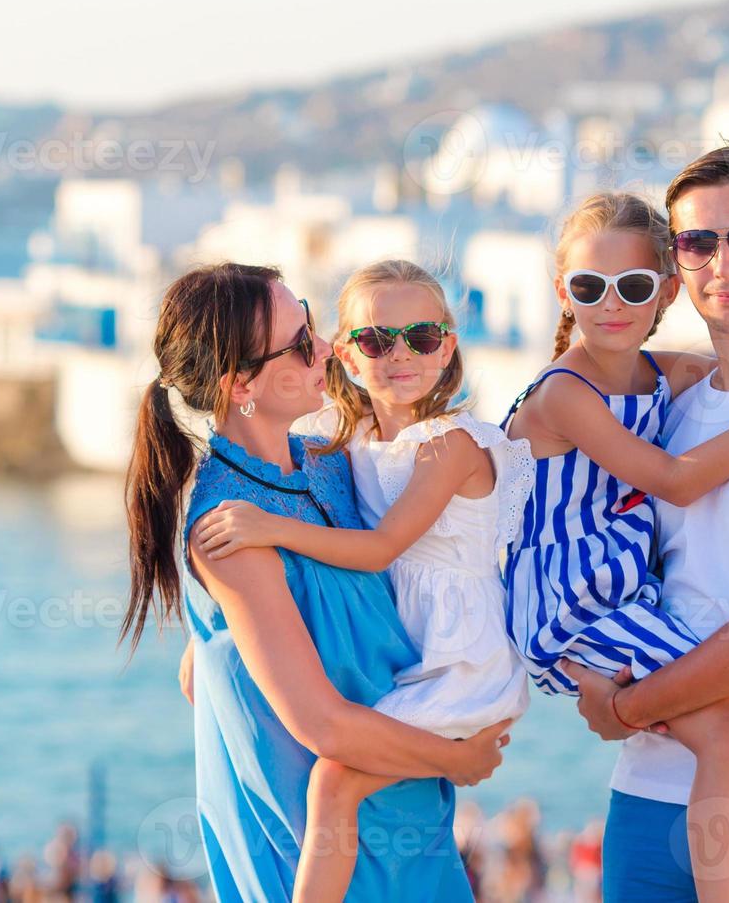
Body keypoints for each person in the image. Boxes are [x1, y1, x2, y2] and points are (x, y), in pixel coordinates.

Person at [501, 191, 729, 901]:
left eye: (634, 286)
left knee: (726, 733)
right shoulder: (563, 395)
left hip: (614, 590)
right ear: (561, 292)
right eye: (588, 287)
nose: (612, 305)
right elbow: (675, 481)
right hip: (573, 601)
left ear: (666, 291)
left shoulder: (660, 374)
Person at [123, 263, 508, 902]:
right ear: (239, 383)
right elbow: (322, 726)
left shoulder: (326, 462)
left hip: (404, 804)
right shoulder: (227, 525)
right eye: (302, 344)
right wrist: (457, 760)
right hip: (328, 842)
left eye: (311, 324)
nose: (328, 349)